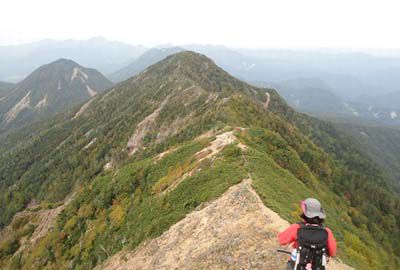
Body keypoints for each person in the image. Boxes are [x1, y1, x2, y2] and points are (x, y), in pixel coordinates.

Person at [278, 198, 337, 270]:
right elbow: (332, 252)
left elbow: (281, 240)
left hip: (298, 267)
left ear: (305, 214)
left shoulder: (297, 228)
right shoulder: (327, 232)